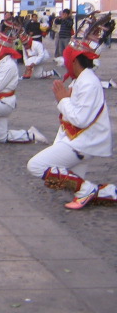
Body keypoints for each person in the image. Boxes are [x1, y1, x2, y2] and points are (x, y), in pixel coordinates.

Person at [27, 13, 116, 209]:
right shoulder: (81, 79)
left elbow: (80, 119)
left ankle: (87, 190)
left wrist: (63, 100)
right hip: (76, 139)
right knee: (69, 183)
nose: (66, 63)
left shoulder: (88, 83)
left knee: (36, 166)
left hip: (83, 142)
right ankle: (107, 192)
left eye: (67, 59)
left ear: (74, 61)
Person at [0, 20, 48, 149]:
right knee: (1, 137)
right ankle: (31, 135)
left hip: (4, 103)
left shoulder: (9, 65)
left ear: (0, 48)